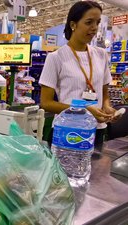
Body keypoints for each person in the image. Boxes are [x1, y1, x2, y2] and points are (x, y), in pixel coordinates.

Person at [39, 1, 120, 151]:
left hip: (96, 129)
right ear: (73, 24)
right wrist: (86, 110)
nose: (94, 28)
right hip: (67, 131)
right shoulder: (56, 57)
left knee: (95, 173)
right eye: (89, 22)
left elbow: (104, 95)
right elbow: (46, 102)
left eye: (97, 22)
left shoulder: (101, 55)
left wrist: (108, 108)